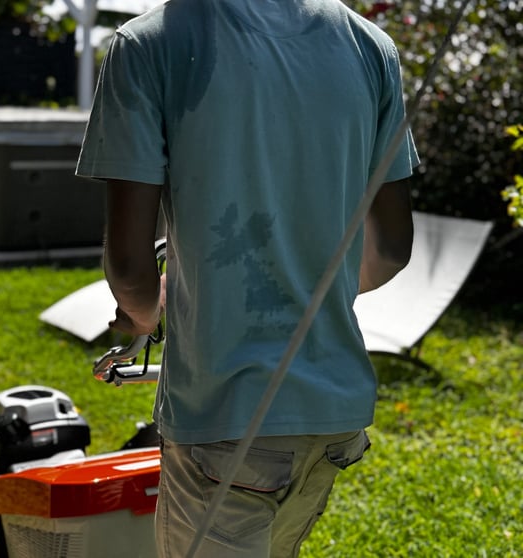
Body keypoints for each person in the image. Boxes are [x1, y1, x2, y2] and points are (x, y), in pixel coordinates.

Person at [76, 0, 418, 555]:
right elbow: (392, 248)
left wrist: (143, 312)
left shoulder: (147, 44)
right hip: (331, 418)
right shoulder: (370, 45)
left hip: (224, 421)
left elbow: (131, 266)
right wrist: (307, 284)